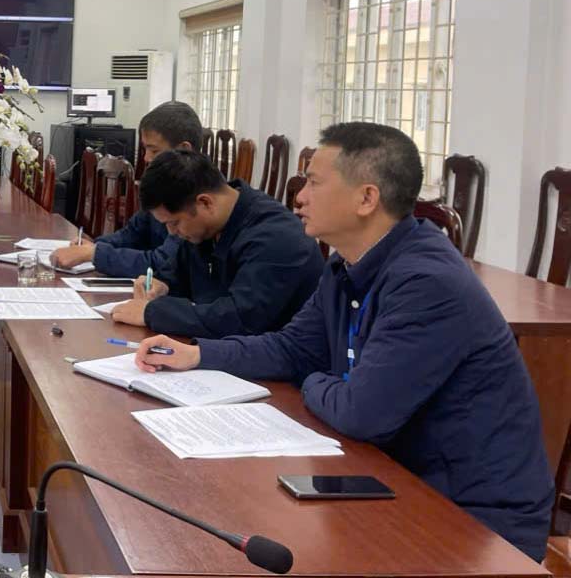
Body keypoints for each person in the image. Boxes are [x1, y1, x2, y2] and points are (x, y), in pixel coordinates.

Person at [133, 123, 553, 562]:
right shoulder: (347, 265)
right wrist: (199, 354)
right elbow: (292, 348)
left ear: (366, 198)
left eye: (314, 183)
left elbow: (360, 413)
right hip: (396, 478)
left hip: (476, 524)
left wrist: (315, 379)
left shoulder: (427, 284)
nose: (299, 196)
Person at [109, 148, 324, 338]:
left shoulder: (276, 237)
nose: (172, 232)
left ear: (205, 203)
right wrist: (161, 285)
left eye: (174, 223)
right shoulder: (204, 227)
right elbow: (175, 274)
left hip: (276, 373)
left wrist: (152, 313)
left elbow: (239, 319)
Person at [49, 102, 201, 276]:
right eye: (145, 150)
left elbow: (164, 262)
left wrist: (95, 254)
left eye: (154, 151)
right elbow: (131, 234)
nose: (146, 159)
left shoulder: (195, 197)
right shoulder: (161, 185)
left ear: (184, 149)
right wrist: (94, 244)